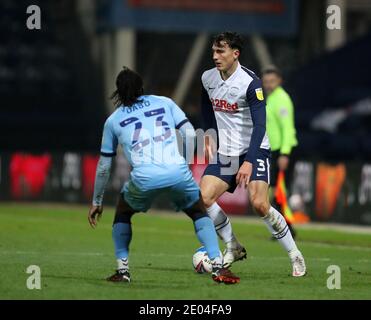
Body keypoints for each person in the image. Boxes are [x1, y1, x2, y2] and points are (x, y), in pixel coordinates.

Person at [88, 66, 239, 284]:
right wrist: (182, 164)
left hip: (144, 177)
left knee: (123, 212)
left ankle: (123, 271)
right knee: (198, 212)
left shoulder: (113, 121)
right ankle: (218, 266)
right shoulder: (164, 102)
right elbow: (189, 133)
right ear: (141, 87)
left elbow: (104, 165)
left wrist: (97, 201)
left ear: (118, 93)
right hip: (177, 170)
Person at [200, 32, 306, 276]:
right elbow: (206, 105)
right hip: (227, 152)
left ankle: (295, 255)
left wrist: (249, 162)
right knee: (203, 198)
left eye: (221, 52)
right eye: (214, 51)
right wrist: (207, 133)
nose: (215, 56)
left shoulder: (250, 83)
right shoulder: (208, 78)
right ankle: (233, 246)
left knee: (260, 204)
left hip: (255, 149)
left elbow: (260, 126)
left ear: (235, 54)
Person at [262, 65, 298, 239]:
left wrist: (285, 154)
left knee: (280, 191)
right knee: (276, 191)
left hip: (282, 151)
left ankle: (287, 228)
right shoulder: (270, 99)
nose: (269, 84)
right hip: (273, 150)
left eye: (272, 81)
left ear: (279, 81)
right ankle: (284, 228)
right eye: (266, 81)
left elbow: (288, 128)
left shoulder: (282, 99)